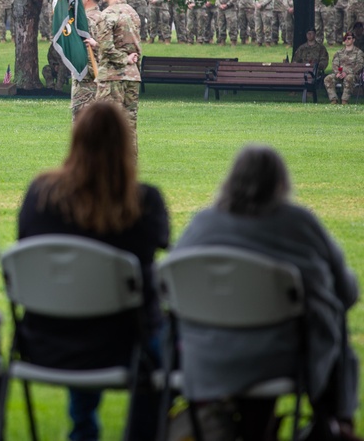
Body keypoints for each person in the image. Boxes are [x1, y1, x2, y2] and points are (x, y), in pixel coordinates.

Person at [174, 146, 359, 440]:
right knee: (332, 331)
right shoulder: (299, 224)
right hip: (283, 356)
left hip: (209, 355)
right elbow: (346, 293)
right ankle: (335, 425)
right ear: (281, 183)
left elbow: (171, 288)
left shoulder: (202, 225)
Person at [18, 101, 169, 441]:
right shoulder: (143, 202)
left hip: (47, 339)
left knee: (82, 303)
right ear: (125, 145)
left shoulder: (40, 197)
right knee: (175, 342)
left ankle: (83, 430)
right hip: (129, 343)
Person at [88, 0, 142, 150]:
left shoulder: (107, 14)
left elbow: (107, 48)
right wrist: (130, 61)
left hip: (112, 78)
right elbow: (133, 46)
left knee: (107, 125)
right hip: (132, 77)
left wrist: (123, 59)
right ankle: (129, 167)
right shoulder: (132, 13)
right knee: (129, 125)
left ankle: (108, 168)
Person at [71, 0, 103, 120]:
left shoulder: (86, 21)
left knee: (82, 121)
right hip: (101, 76)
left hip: (87, 79)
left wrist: (84, 74)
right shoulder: (104, 17)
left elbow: (87, 51)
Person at [324, 31, 364, 104]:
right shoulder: (339, 52)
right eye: (345, 38)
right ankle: (333, 100)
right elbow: (335, 64)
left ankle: (344, 101)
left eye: (349, 38)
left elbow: (360, 65)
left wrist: (347, 72)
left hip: (353, 75)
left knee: (349, 78)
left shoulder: (358, 52)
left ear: (353, 40)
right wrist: (337, 73)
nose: (347, 40)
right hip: (340, 74)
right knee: (328, 79)